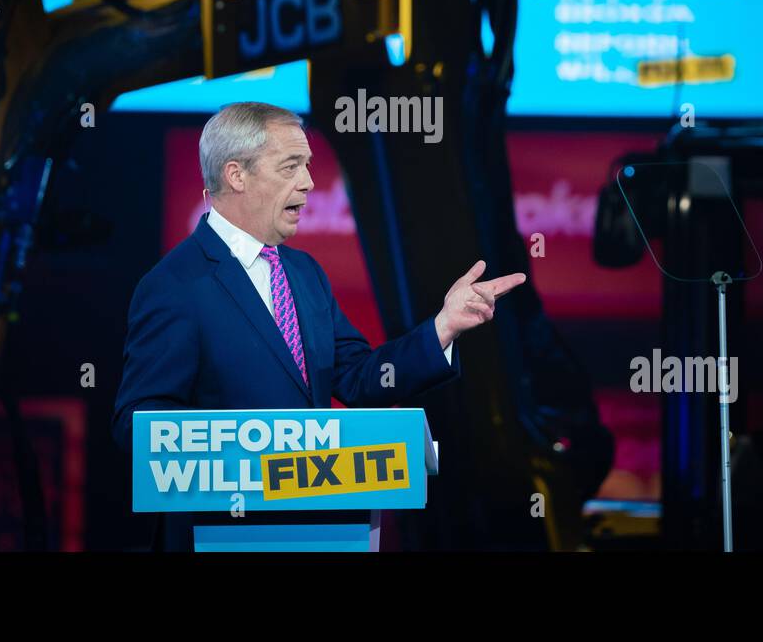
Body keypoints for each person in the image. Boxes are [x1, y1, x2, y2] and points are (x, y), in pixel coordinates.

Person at [111, 101, 525, 549]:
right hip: (222, 535)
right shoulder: (175, 285)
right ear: (236, 175)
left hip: (319, 531)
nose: (308, 183)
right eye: (291, 166)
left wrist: (443, 327)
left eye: (307, 166)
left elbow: (359, 377)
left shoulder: (305, 273)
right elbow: (139, 426)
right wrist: (248, 454)